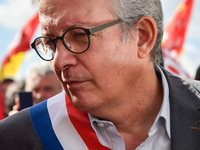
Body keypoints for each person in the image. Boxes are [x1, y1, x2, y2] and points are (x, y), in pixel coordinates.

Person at [0, 0, 200, 149]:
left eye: (79, 35)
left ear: (142, 36)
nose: (59, 62)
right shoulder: (15, 137)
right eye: (50, 42)